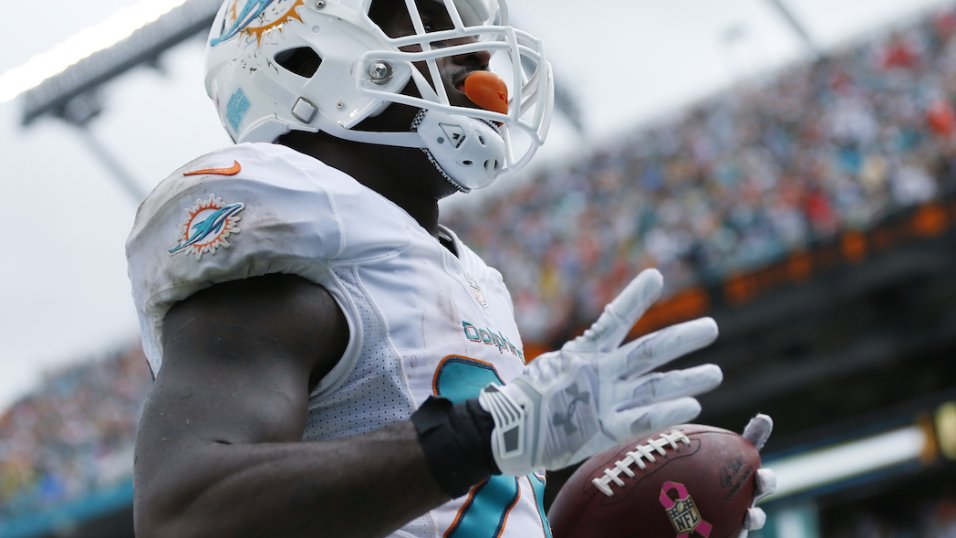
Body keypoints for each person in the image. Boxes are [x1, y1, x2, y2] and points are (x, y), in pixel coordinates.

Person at [126, 0, 774, 536]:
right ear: (304, 61)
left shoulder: (462, 273)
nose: (479, 51)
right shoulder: (290, 233)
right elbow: (185, 513)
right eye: (433, 15)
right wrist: (485, 432)